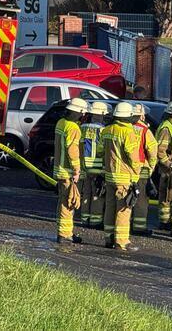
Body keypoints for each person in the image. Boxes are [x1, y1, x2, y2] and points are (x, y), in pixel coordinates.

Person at [102, 102, 141, 251]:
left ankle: (109, 238)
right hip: (124, 177)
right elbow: (133, 157)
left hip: (109, 176)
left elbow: (100, 151)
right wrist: (136, 173)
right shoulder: (128, 132)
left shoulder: (107, 130)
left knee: (110, 207)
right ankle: (121, 241)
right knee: (123, 210)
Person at [49, 97, 87, 244]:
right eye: (82, 113)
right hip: (68, 172)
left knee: (63, 201)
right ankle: (64, 234)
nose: (84, 115)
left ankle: (65, 231)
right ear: (78, 112)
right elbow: (72, 151)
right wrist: (76, 170)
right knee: (68, 203)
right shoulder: (73, 128)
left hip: (60, 169)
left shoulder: (61, 122)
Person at [155, 101, 172, 231]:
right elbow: (160, 150)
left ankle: (167, 220)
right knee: (166, 195)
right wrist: (169, 164)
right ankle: (164, 222)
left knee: (171, 195)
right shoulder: (166, 128)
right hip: (167, 169)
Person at [131, 103, 158, 236]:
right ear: (142, 115)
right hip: (141, 169)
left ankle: (123, 223)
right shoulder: (145, 130)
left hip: (125, 169)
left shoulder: (125, 128)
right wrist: (151, 168)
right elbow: (152, 151)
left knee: (125, 197)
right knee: (141, 199)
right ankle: (139, 227)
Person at [80, 101, 108, 229]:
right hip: (97, 166)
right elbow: (102, 149)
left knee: (86, 193)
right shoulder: (103, 130)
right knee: (97, 194)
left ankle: (84, 218)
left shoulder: (82, 127)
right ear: (100, 114)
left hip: (84, 166)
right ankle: (95, 220)